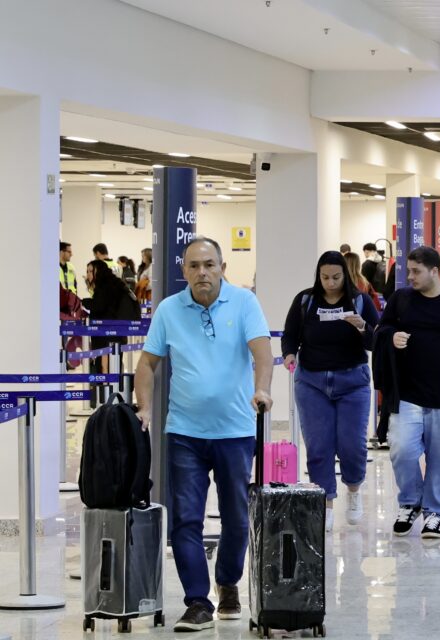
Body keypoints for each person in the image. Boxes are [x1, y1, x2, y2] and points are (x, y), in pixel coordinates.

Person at [133, 237, 274, 632]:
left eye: (209, 265)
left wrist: (262, 388)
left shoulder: (244, 303)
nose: (202, 273)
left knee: (235, 517)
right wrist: (143, 405)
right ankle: (197, 600)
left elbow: (262, 354)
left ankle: (228, 582)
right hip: (185, 432)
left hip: (235, 431)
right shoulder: (168, 310)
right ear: (183, 271)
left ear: (222, 267)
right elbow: (147, 364)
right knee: (185, 520)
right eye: (194, 266)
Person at [376, 246, 440, 538]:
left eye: (416, 271)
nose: (410, 277)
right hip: (408, 394)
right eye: (408, 271)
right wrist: (391, 336)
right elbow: (382, 330)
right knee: (402, 450)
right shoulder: (401, 300)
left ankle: (435, 512)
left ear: (435, 271)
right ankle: (410, 501)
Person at [282, 251, 380, 532]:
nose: (330, 283)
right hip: (311, 382)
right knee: (318, 446)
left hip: (353, 382)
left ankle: (353, 489)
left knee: (351, 444)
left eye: (336, 277)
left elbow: (377, 339)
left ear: (345, 276)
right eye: (325, 277)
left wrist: (362, 327)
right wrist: (289, 354)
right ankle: (324, 502)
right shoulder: (306, 300)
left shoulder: (360, 300)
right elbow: (290, 334)